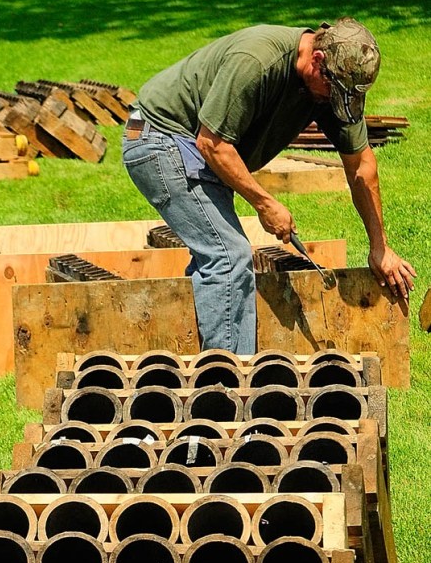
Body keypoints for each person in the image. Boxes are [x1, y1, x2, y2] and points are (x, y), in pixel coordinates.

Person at [122, 18, 416, 354]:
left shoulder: (332, 87)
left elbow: (362, 166)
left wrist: (380, 246)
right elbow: (213, 144)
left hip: (197, 145)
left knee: (216, 260)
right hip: (156, 133)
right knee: (227, 256)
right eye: (334, 93)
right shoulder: (258, 60)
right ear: (317, 61)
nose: (336, 104)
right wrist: (265, 203)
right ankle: (227, 386)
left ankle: (201, 361)